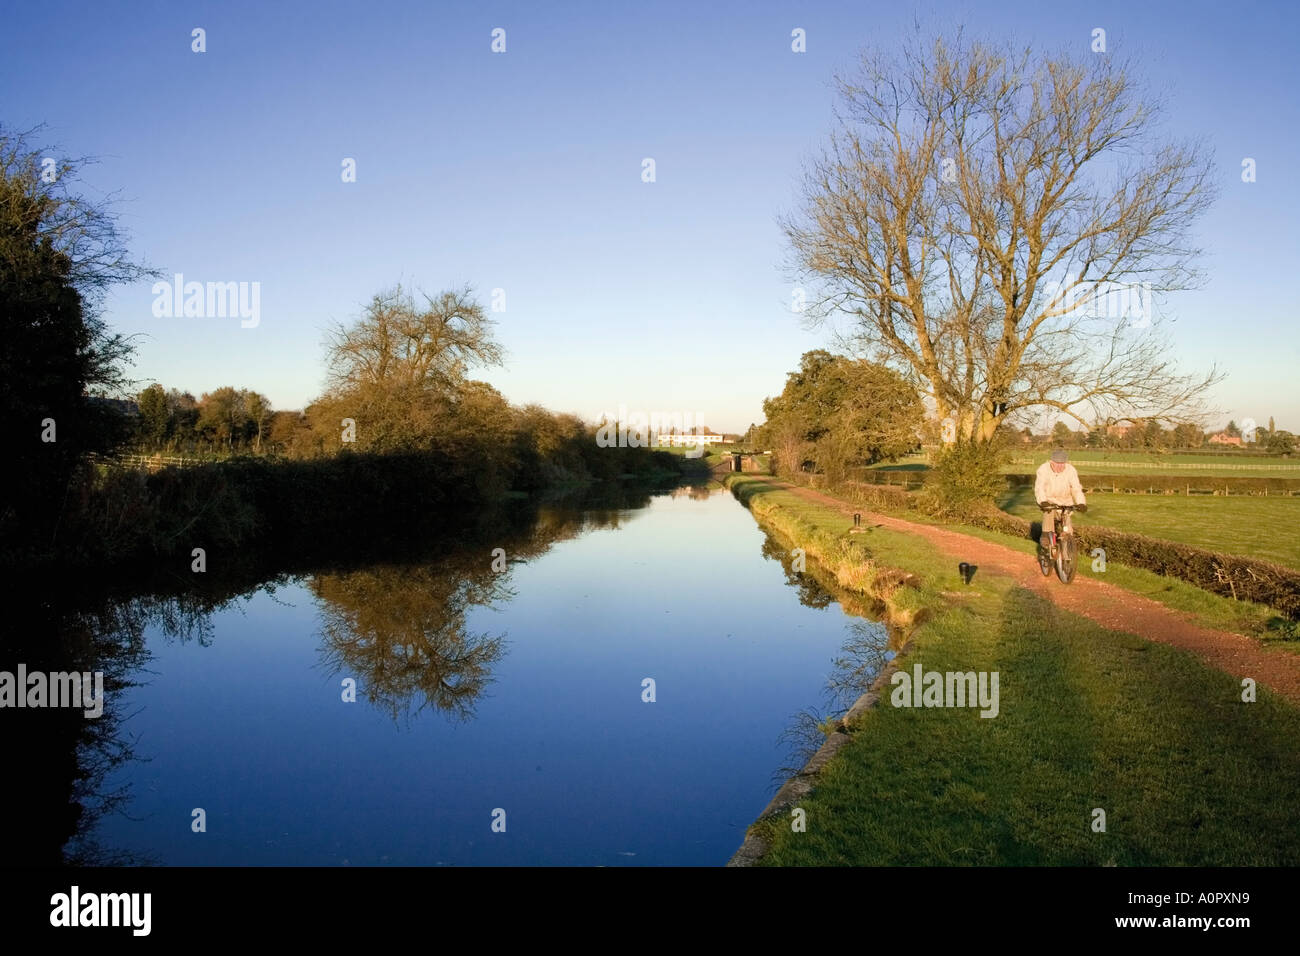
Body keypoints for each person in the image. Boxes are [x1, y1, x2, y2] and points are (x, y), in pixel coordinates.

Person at [1035, 448, 1086, 550]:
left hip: (1066, 501)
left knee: (1067, 529)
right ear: (1051, 462)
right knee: (1048, 512)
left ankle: (1068, 553)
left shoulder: (1071, 470)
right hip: (1049, 500)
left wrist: (1081, 503)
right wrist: (1043, 501)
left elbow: (1076, 487)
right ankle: (1046, 536)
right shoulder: (1043, 469)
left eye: (1063, 464)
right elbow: (1040, 487)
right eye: (1057, 464)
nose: (1060, 467)